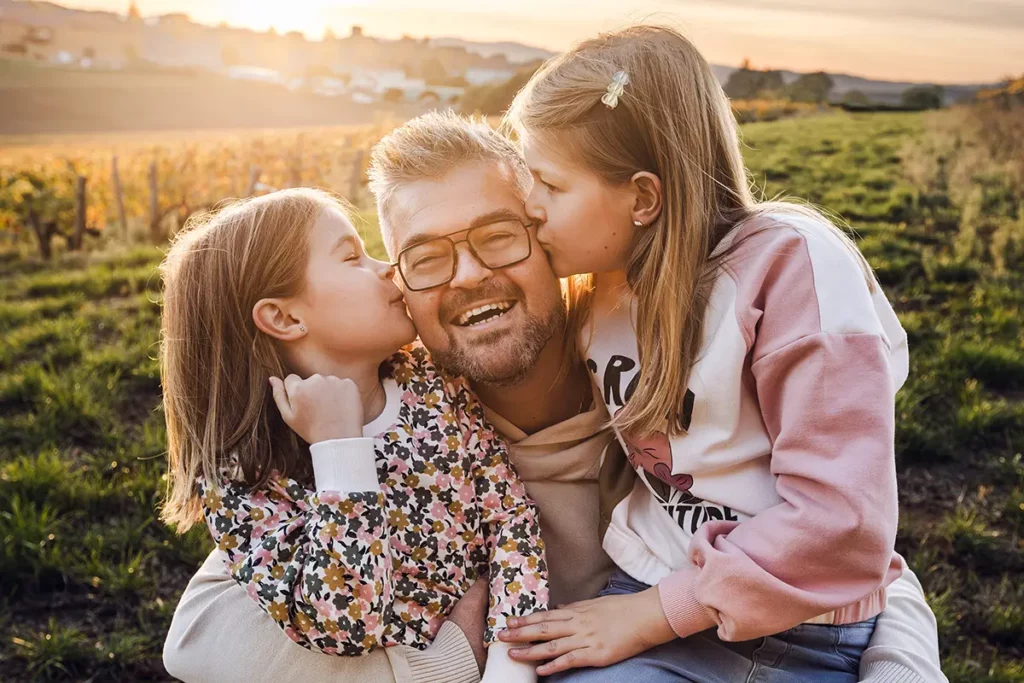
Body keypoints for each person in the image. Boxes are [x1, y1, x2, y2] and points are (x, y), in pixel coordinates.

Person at [163, 112, 947, 683]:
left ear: (552, 242)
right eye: (426, 258)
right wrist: (455, 659)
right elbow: (199, 637)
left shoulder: (652, 369)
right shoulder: (384, 418)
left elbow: (860, 548)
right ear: (401, 287)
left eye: (499, 235)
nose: (468, 275)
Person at [496, 25, 910, 683]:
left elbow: (844, 522)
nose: (530, 207)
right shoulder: (597, 284)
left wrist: (651, 613)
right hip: (651, 587)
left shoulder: (791, 267)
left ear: (641, 197)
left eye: (549, 183)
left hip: (791, 630)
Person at [158, 187, 546, 682]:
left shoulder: (432, 385)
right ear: (285, 317)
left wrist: (510, 670)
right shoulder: (246, 475)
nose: (387, 267)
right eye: (351, 256)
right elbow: (344, 627)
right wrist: (340, 452)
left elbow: (509, 518)